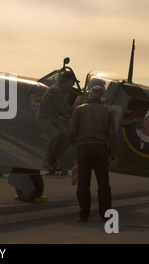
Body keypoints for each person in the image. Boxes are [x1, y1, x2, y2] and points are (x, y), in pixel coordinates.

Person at [69, 85, 116, 223]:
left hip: (84, 148)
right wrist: (112, 153)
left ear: (90, 94)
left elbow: (72, 130)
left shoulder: (79, 110)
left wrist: (73, 144)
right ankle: (106, 216)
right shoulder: (107, 111)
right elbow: (112, 135)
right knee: (104, 185)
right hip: (101, 149)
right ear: (101, 96)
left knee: (83, 184)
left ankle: (83, 215)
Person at [36, 71, 79, 174]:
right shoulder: (56, 91)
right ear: (67, 81)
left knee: (67, 135)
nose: (73, 85)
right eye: (72, 82)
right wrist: (77, 105)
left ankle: (54, 158)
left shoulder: (65, 92)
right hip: (44, 119)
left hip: (54, 119)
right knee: (55, 136)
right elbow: (65, 109)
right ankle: (46, 159)